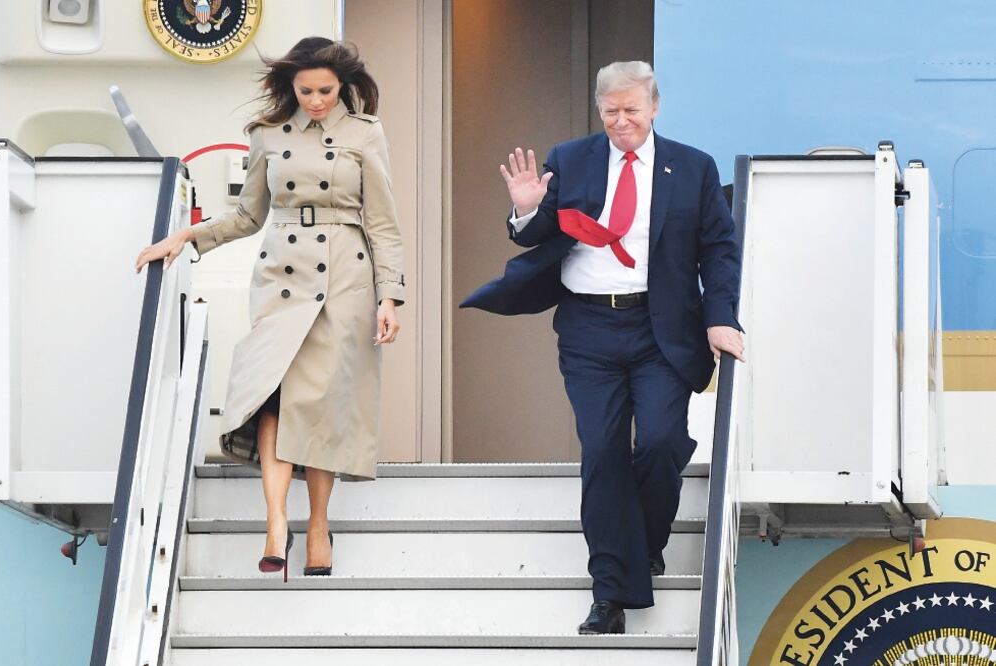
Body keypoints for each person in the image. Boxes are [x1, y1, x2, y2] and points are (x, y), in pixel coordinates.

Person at [461, 61, 743, 634]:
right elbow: (541, 233)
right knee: (604, 452)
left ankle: (645, 540)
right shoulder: (572, 157)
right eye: (611, 111)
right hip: (589, 329)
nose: (621, 122)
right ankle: (610, 594)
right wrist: (524, 209)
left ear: (655, 107)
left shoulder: (693, 167)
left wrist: (720, 319)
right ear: (599, 109)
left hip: (660, 327)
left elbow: (718, 249)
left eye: (632, 110)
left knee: (664, 441)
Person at [135, 37, 404, 581]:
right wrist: (185, 236)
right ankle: (276, 523)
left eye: (325, 90)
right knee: (270, 399)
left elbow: (382, 223)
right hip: (282, 276)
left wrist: (389, 296)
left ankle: (320, 525)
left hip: (344, 282)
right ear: (290, 87)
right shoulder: (266, 136)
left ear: (342, 85)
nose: (317, 100)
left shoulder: (364, 133)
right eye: (305, 90)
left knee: (323, 405)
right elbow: (246, 215)